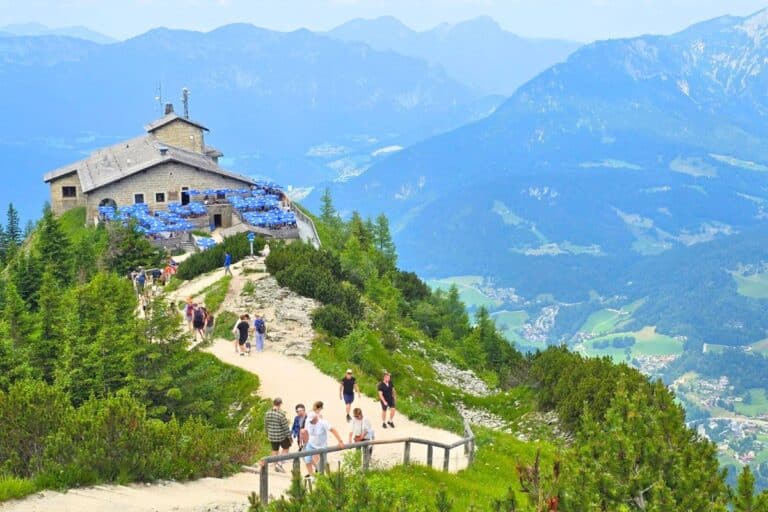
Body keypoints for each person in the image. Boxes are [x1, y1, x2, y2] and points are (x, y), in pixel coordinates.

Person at [303, 411, 344, 480]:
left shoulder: (323, 423)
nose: (311, 422)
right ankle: (312, 476)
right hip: (311, 444)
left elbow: (333, 430)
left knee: (322, 463)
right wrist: (306, 442)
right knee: (307, 460)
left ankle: (326, 477)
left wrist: (340, 441)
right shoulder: (307, 421)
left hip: (321, 446)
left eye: (312, 420)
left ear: (315, 418)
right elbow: (306, 431)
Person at [264, 397, 292, 473]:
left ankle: (274, 465)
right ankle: (279, 464)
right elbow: (285, 428)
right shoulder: (281, 414)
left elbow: (266, 425)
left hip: (272, 436)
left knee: (274, 450)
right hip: (281, 436)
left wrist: (267, 434)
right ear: (280, 404)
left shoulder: (267, 413)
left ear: (273, 403)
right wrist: (290, 438)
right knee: (286, 449)